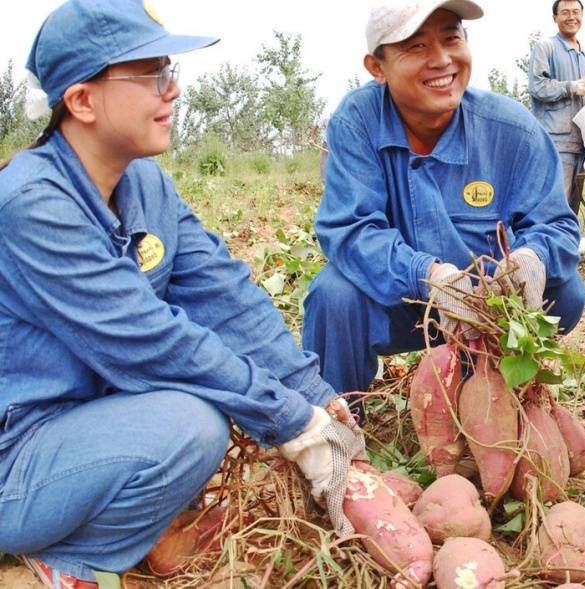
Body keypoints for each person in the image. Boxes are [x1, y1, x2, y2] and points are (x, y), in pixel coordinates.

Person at [0, 1, 361, 587]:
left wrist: (310, 391)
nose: (172, 91)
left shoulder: (144, 183)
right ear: (82, 100)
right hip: (18, 460)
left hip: (89, 428)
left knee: (214, 399)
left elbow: (224, 295)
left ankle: (118, 523)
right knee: (191, 424)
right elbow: (147, 340)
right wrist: (292, 422)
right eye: (151, 75)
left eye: (171, 71)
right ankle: (68, 561)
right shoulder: (32, 204)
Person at [301, 0, 585, 418]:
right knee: (333, 295)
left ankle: (485, 390)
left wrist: (532, 257)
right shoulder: (357, 122)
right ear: (376, 67)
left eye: (451, 38)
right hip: (397, 301)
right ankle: (338, 429)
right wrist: (430, 276)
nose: (441, 60)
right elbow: (351, 230)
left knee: (566, 291)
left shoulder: (512, 130)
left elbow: (557, 226)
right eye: (415, 47)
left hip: (487, 307)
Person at [528, 0, 585, 212]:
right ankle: (545, 245)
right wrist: (573, 86)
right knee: (553, 204)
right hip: (555, 140)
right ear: (555, 18)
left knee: (572, 205)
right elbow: (538, 87)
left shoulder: (584, 54)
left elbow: (582, 93)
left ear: (582, 15)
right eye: (565, 13)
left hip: (580, 140)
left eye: (576, 12)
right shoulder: (546, 47)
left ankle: (566, 246)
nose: (571, 17)